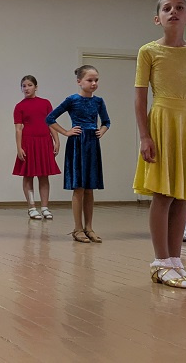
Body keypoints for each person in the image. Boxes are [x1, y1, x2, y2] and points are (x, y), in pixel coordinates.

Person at [133, 0, 186, 288]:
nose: (173, 12)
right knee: (163, 193)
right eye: (167, 8)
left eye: (180, 8)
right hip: (163, 121)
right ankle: (160, 262)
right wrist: (144, 135)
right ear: (158, 19)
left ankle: (176, 261)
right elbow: (140, 97)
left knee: (183, 194)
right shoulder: (148, 51)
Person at [47, 65, 110, 244]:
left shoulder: (99, 101)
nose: (94, 83)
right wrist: (66, 132)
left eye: (96, 80)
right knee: (79, 187)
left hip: (92, 144)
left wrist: (101, 131)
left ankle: (89, 227)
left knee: (90, 188)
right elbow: (50, 118)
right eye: (90, 80)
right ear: (79, 81)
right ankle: (77, 228)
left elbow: (106, 121)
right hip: (77, 144)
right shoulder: (72, 100)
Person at [13, 75, 61, 220]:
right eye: (24, 86)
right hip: (28, 143)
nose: (26, 88)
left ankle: (45, 207)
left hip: (44, 142)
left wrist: (56, 141)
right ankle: (32, 207)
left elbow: (51, 123)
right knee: (28, 175)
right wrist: (19, 147)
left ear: (36, 87)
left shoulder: (45, 103)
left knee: (44, 175)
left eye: (29, 85)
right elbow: (18, 129)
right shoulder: (19, 106)